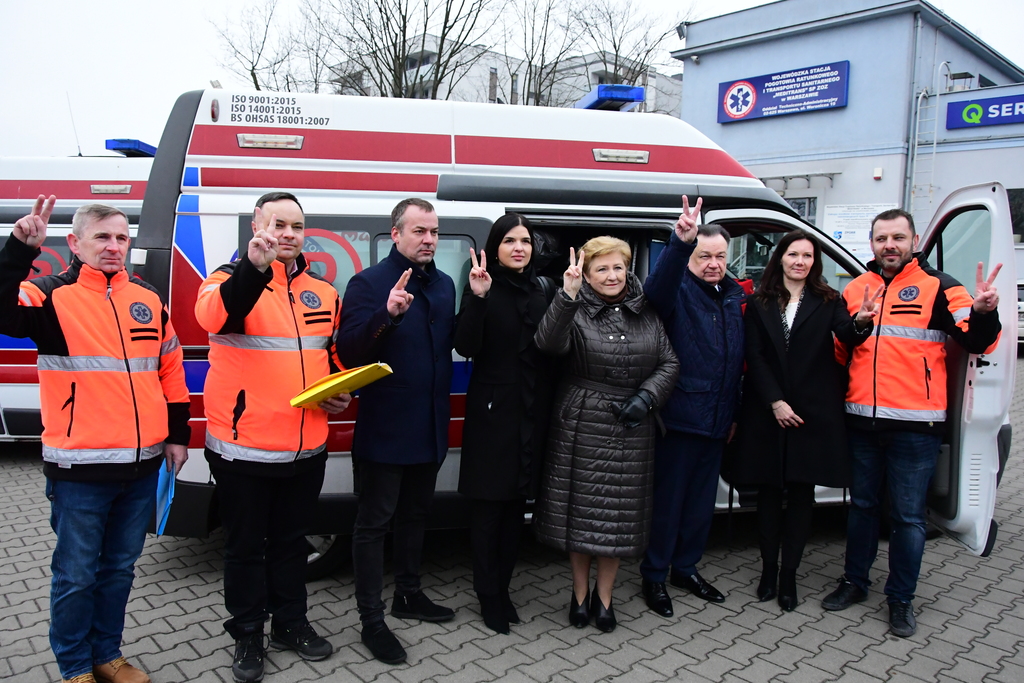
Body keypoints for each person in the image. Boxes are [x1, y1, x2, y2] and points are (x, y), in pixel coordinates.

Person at [0, 197, 190, 683]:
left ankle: (107, 654)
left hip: (142, 464)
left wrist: (177, 434)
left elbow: (169, 368)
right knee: (76, 577)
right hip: (79, 469)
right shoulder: (48, 295)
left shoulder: (147, 297)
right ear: (75, 242)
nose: (114, 246)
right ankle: (75, 666)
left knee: (119, 571)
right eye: (102, 237)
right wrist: (18, 252)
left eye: (121, 237)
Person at [821, 208, 1001, 638]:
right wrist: (855, 329)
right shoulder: (856, 288)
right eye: (882, 238)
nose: (889, 246)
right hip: (862, 420)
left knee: (907, 518)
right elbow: (842, 351)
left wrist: (983, 311)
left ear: (914, 241)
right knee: (862, 508)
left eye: (898, 238)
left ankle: (900, 599)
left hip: (916, 428)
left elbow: (978, 338)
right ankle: (855, 582)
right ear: (872, 243)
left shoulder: (941, 286)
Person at [195, 191, 351, 683]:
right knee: (245, 548)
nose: (288, 234)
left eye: (297, 226)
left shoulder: (323, 291)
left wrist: (341, 391)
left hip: (306, 445)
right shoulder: (226, 279)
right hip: (244, 449)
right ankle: (246, 634)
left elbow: (331, 354)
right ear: (256, 228)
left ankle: (290, 623)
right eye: (277, 224)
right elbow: (213, 318)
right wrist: (253, 270)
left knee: (290, 544)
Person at [727, 229, 879, 611]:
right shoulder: (759, 302)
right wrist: (775, 401)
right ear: (780, 258)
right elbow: (755, 356)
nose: (800, 261)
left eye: (807, 256)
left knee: (800, 496)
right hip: (769, 413)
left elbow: (848, 334)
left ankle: (789, 577)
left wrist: (861, 320)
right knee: (766, 495)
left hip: (811, 415)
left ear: (815, 262)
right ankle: (767, 571)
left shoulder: (829, 300)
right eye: (793, 254)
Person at [533, 236, 679, 633]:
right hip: (582, 424)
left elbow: (669, 361)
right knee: (581, 521)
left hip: (632, 427)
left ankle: (605, 598)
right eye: (601, 269)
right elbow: (547, 343)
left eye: (618, 267)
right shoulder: (573, 307)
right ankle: (579, 596)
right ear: (588, 273)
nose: (611, 276)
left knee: (616, 522)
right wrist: (567, 294)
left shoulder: (646, 310)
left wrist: (646, 398)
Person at [337, 198, 457, 664]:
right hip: (386, 429)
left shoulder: (446, 285)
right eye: (419, 231)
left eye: (434, 232)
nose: (428, 239)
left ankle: (408, 594)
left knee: (415, 518)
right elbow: (349, 351)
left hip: (429, 427)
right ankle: (371, 620)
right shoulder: (369, 283)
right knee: (373, 526)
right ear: (396, 234)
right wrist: (387, 315)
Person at [639, 196, 745, 616]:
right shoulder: (676, 290)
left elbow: (737, 362)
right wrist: (679, 243)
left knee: (701, 507)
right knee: (668, 505)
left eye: (720, 256)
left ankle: (686, 568)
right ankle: (654, 576)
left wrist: (735, 412)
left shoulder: (735, 296)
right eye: (704, 256)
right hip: (679, 420)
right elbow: (654, 293)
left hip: (718, 421)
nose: (713, 263)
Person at [454, 214, 557, 634]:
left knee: (516, 510)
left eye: (526, 241)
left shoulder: (542, 290)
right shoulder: (482, 286)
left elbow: (554, 348)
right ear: (494, 246)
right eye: (510, 240)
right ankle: (487, 595)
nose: (519, 247)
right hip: (492, 413)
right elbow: (464, 345)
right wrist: (477, 298)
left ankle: (505, 588)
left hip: (531, 411)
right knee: (488, 511)